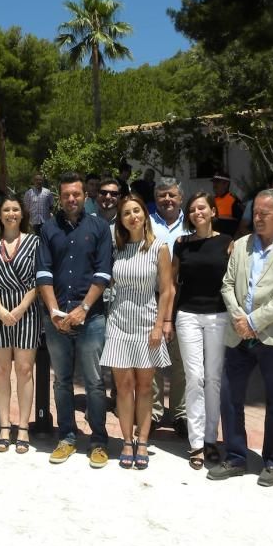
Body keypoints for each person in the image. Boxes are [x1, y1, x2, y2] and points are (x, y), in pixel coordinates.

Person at [209, 188, 273, 487]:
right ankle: (236, 457)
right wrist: (240, 318)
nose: (257, 218)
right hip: (238, 335)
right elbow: (227, 284)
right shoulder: (241, 245)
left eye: (264, 214)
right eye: (255, 213)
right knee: (229, 396)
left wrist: (253, 321)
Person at [37, 172, 113, 468]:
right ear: (60, 197)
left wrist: (82, 308)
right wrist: (56, 312)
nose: (71, 199)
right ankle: (67, 436)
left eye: (76, 194)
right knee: (62, 381)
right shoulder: (48, 229)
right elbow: (43, 272)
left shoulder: (100, 227)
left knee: (94, 382)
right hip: (56, 320)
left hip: (91, 318)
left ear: (85, 196)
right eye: (66, 194)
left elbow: (103, 272)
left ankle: (98, 441)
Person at [100, 195, 174, 470]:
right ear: (120, 220)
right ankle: (126, 442)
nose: (132, 216)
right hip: (118, 321)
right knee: (124, 387)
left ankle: (142, 441)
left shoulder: (159, 248)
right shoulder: (116, 248)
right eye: (126, 213)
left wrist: (160, 325)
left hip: (147, 323)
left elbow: (166, 289)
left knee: (145, 387)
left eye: (136, 211)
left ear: (145, 214)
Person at [172, 192, 233, 469]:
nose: (198, 212)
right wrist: (167, 319)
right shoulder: (181, 244)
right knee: (194, 377)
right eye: (193, 209)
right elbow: (172, 283)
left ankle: (211, 438)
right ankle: (196, 443)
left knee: (213, 378)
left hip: (219, 315)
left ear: (212, 211)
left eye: (202, 208)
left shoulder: (227, 243)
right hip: (187, 315)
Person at [0, 192, 41, 454]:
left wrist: (21, 307)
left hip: (27, 312)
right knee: (0, 372)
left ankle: (23, 426)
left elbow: (39, 279)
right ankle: (5, 425)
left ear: (22, 214)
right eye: (6, 210)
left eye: (16, 210)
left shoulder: (35, 243)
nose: (11, 214)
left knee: (25, 370)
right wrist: (1, 309)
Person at [149, 178, 189, 436]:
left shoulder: (193, 220)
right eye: (162, 195)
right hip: (152, 296)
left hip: (186, 297)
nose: (167, 199)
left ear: (180, 197)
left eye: (172, 195)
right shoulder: (148, 222)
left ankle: (180, 414)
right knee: (152, 356)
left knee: (181, 358)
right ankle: (153, 412)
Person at [211, 171, 244, 236]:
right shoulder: (212, 200)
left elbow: (242, 223)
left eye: (217, 182)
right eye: (213, 182)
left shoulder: (233, 200)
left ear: (226, 184)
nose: (214, 185)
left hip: (229, 239)